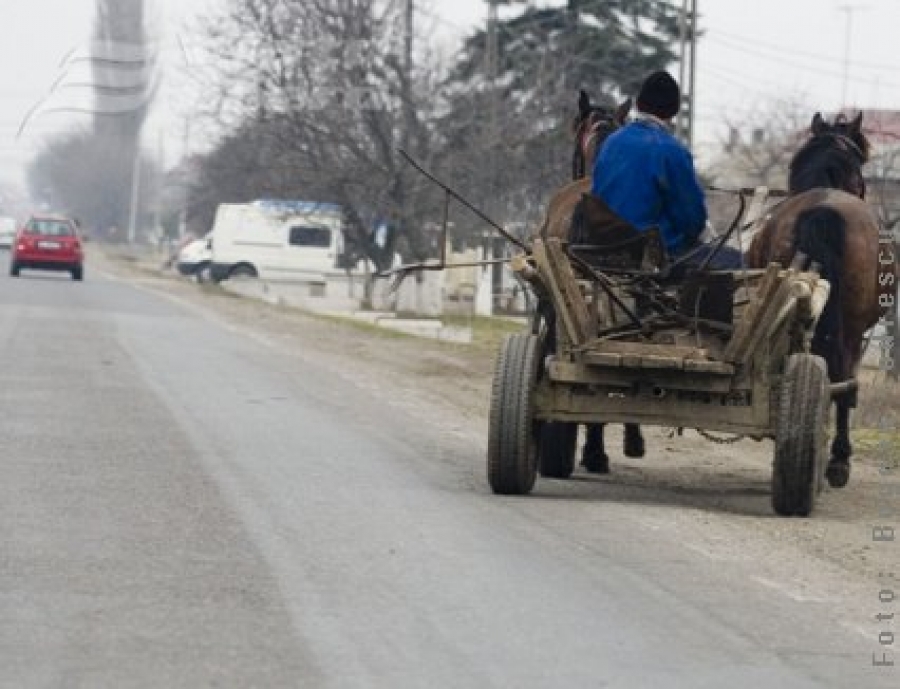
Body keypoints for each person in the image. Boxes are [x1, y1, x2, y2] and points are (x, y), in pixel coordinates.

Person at [590, 70, 742, 270]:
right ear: (673, 111)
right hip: (652, 253)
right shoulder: (671, 150)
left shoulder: (611, 143)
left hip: (602, 249)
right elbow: (692, 218)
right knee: (737, 262)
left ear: (638, 105)